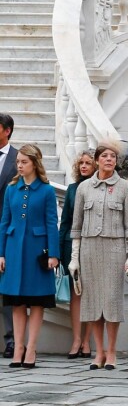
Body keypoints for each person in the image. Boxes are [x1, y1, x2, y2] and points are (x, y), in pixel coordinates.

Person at [69, 141, 128, 371]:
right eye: (104, 156)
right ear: (97, 159)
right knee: (92, 302)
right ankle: (98, 352)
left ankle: (112, 352)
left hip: (114, 249)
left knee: (111, 301)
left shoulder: (126, 188)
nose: (109, 159)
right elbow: (76, 226)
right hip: (89, 248)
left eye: (112, 157)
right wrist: (74, 257)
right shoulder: (84, 188)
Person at [0, 144, 59, 369]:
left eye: (24, 162)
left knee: (36, 302)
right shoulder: (11, 188)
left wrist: (53, 254)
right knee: (16, 303)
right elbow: (4, 222)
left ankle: (32, 349)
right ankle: (18, 348)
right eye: (18, 162)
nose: (20, 165)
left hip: (37, 252)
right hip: (14, 250)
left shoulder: (46, 190)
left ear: (35, 163)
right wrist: (1, 253)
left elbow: (52, 223)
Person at [59, 150, 96, 359]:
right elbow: (65, 222)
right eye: (81, 163)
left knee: (90, 294)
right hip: (70, 246)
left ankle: (86, 340)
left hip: (93, 246)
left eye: (88, 163)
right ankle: (75, 339)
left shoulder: (99, 187)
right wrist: (57, 249)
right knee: (76, 294)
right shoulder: (72, 189)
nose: (83, 166)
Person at [0, 114, 17, 359]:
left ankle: (12, 339)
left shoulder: (18, 159)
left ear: (7, 131)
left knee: (8, 290)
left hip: (9, 233)